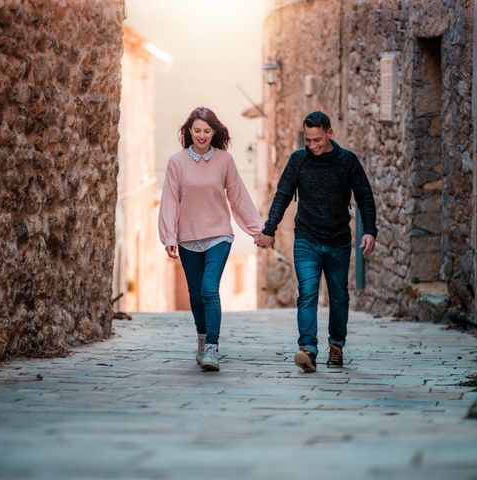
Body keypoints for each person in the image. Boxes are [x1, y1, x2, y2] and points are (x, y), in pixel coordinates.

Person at [255, 111, 377, 373]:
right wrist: (269, 229)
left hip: (338, 241)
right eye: (308, 140)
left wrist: (370, 230)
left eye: (317, 140)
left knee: (339, 296)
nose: (312, 146)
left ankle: (336, 346)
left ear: (330, 133)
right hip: (307, 239)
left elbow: (364, 197)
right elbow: (283, 195)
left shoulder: (347, 161)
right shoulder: (298, 160)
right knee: (307, 293)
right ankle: (308, 349)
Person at [159, 107, 263, 372]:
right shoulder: (176, 162)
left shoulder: (225, 161)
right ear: (189, 132)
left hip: (219, 235)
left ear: (215, 132)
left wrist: (257, 230)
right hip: (188, 238)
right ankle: (202, 339)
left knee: (208, 290)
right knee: (195, 297)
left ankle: (213, 349)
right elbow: (170, 202)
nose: (202, 135)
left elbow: (238, 197)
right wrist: (169, 236)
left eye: (207, 131)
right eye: (197, 130)